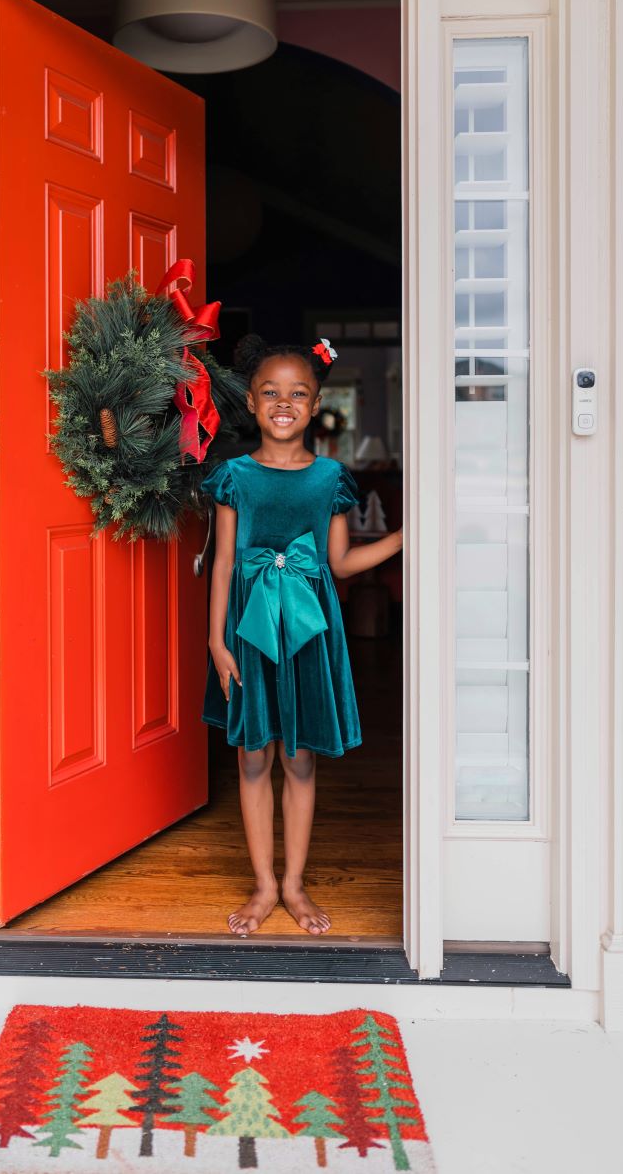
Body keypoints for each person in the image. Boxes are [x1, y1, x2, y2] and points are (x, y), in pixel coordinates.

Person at [202, 335, 403, 938]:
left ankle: (294, 884)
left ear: (316, 405)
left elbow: (339, 564)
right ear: (251, 402)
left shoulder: (331, 479)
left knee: (300, 759)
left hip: (310, 634)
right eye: (270, 392)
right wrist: (217, 642)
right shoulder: (234, 477)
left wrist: (407, 538)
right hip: (249, 633)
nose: (283, 403)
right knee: (253, 756)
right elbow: (223, 561)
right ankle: (264, 884)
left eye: (298, 394)